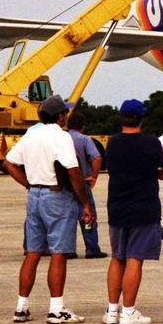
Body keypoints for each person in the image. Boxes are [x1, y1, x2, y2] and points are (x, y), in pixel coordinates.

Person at [4, 94, 94, 324]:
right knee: (58, 253)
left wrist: (26, 183)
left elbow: (9, 162)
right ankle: (56, 308)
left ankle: (21, 307)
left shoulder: (31, 135)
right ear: (61, 116)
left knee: (33, 252)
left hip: (34, 195)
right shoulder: (61, 137)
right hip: (57, 196)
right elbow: (73, 172)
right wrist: (84, 202)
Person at [101, 99, 163, 324]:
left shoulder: (113, 144)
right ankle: (129, 311)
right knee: (135, 259)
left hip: (117, 205)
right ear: (140, 119)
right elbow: (160, 168)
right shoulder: (151, 143)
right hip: (143, 206)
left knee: (117, 257)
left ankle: (112, 309)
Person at [66, 110, 106, 259]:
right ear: (83, 126)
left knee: (68, 218)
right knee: (88, 216)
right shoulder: (85, 140)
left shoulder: (62, 138)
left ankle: (69, 249)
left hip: (65, 186)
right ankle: (92, 248)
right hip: (82, 182)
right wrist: (93, 176)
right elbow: (96, 158)